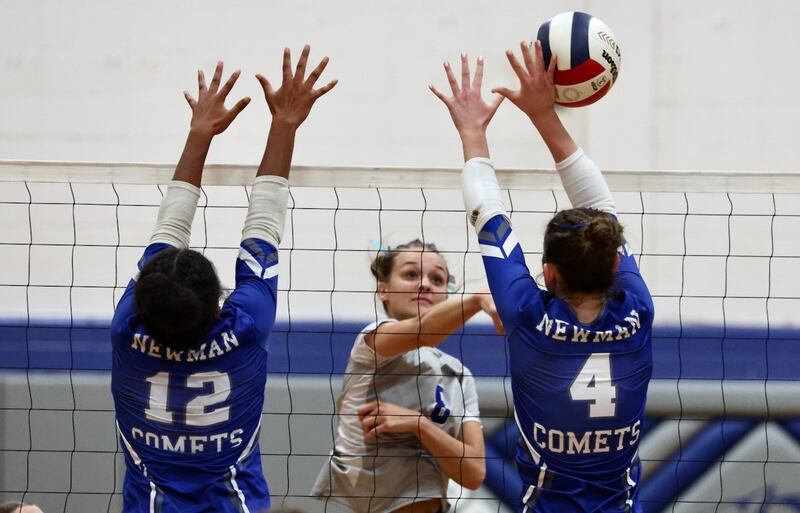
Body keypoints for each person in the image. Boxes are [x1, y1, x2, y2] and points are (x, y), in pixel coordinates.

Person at [110, 46, 336, 513]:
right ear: (218, 307)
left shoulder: (129, 331)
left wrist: (198, 134)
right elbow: (260, 223)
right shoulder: (244, 328)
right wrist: (284, 123)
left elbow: (178, 231)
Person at [431, 44, 653, 512]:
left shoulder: (527, 315)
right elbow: (600, 204)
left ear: (548, 273)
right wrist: (545, 116)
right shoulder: (637, 308)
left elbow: (487, 214)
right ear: (615, 264)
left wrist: (473, 131)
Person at [312, 239, 504, 512]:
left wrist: (419, 425)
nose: (425, 284)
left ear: (446, 297)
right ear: (384, 290)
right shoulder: (372, 341)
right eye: (411, 274)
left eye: (437, 279)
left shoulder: (459, 375)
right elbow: (424, 330)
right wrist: (476, 299)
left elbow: (473, 473)